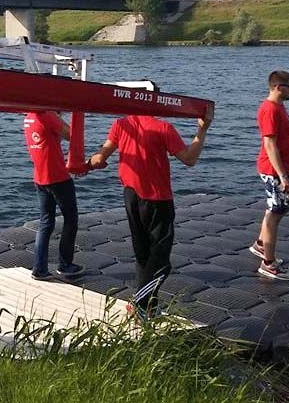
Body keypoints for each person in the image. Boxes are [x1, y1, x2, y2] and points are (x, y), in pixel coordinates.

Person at [88, 106, 214, 318]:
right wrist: (202, 130)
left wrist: (84, 165)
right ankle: (140, 302)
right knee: (161, 262)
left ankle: (147, 307)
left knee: (143, 255)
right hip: (157, 200)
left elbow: (100, 159)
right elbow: (189, 159)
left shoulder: (121, 125)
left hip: (131, 196)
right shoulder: (163, 128)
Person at [249, 70, 289, 281]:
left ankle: (261, 245)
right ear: (278, 87)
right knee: (275, 213)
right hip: (274, 171)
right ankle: (268, 264)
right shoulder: (270, 109)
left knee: (277, 209)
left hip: (281, 170)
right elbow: (270, 144)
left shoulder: (278, 107)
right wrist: (282, 176)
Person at [23, 111, 84, 280]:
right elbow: (73, 135)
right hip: (58, 178)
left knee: (46, 223)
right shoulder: (47, 115)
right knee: (70, 220)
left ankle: (39, 268)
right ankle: (65, 265)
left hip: (40, 178)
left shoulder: (29, 117)